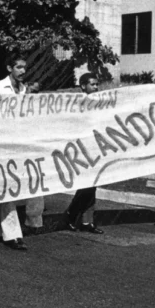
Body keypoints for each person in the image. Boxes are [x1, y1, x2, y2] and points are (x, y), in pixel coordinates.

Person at [0, 57, 44, 250]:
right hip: (0, 143)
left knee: (8, 187)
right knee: (0, 187)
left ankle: (2, 230)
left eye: (24, 67)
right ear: (9, 67)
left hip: (18, 143)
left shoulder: (24, 90)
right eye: (18, 67)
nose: (22, 71)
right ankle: (6, 232)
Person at [64, 73, 104, 234]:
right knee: (86, 186)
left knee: (92, 186)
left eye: (96, 84)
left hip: (96, 149)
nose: (96, 87)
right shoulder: (77, 104)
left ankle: (87, 221)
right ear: (83, 86)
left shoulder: (99, 103)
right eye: (92, 84)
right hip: (81, 150)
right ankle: (71, 213)